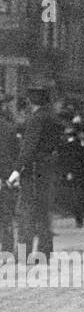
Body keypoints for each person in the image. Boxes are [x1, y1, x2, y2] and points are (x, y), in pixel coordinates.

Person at [16, 86, 59, 259]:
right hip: (46, 171)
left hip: (32, 171)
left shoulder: (36, 119)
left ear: (31, 100)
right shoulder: (52, 118)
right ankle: (45, 252)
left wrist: (16, 169)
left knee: (26, 213)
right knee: (43, 212)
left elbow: (29, 148)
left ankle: (23, 254)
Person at [0, 99, 18, 255]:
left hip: (4, 177)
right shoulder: (10, 128)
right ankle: (7, 248)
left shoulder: (8, 128)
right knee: (5, 214)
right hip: (5, 178)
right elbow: (14, 155)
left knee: (5, 213)